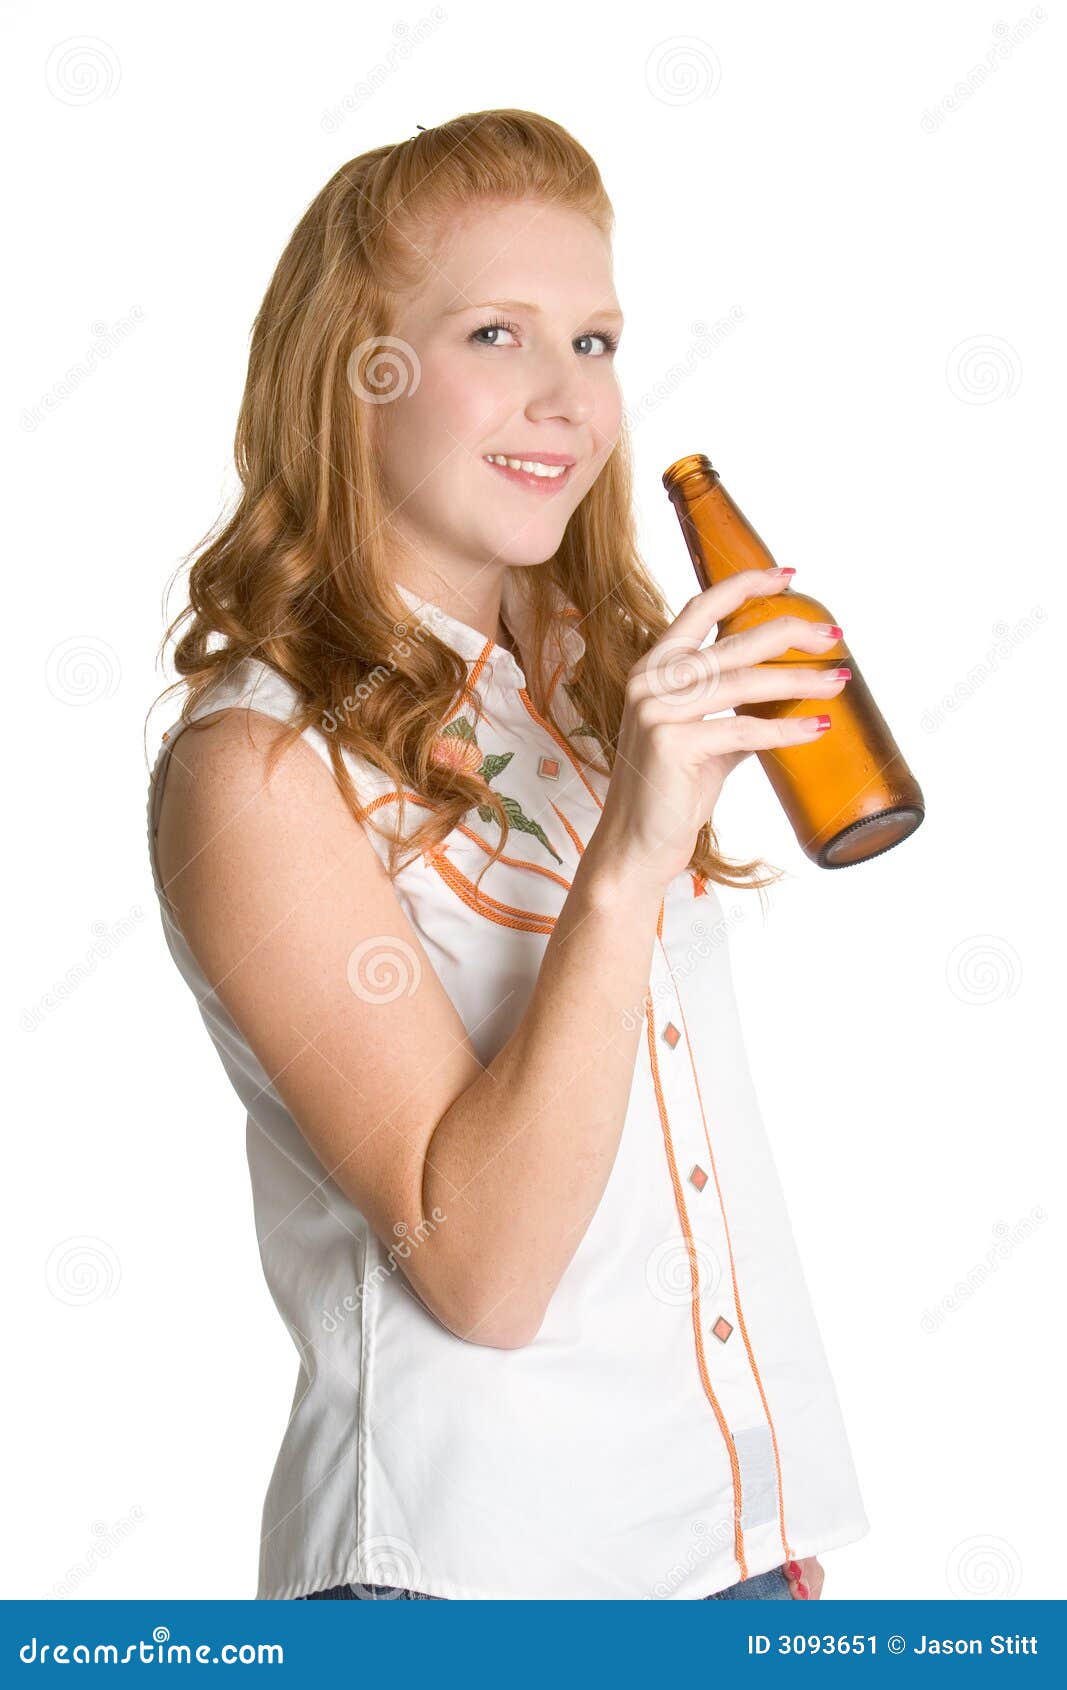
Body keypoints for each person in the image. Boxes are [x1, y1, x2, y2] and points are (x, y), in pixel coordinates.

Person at [145, 108, 862, 1602]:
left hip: (720, 1555)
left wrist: (762, 1530)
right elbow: (484, 1270)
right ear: (353, 376)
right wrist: (627, 858)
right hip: (466, 1590)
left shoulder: (592, 680)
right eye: (496, 333)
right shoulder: (255, 767)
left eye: (596, 342)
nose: (567, 398)